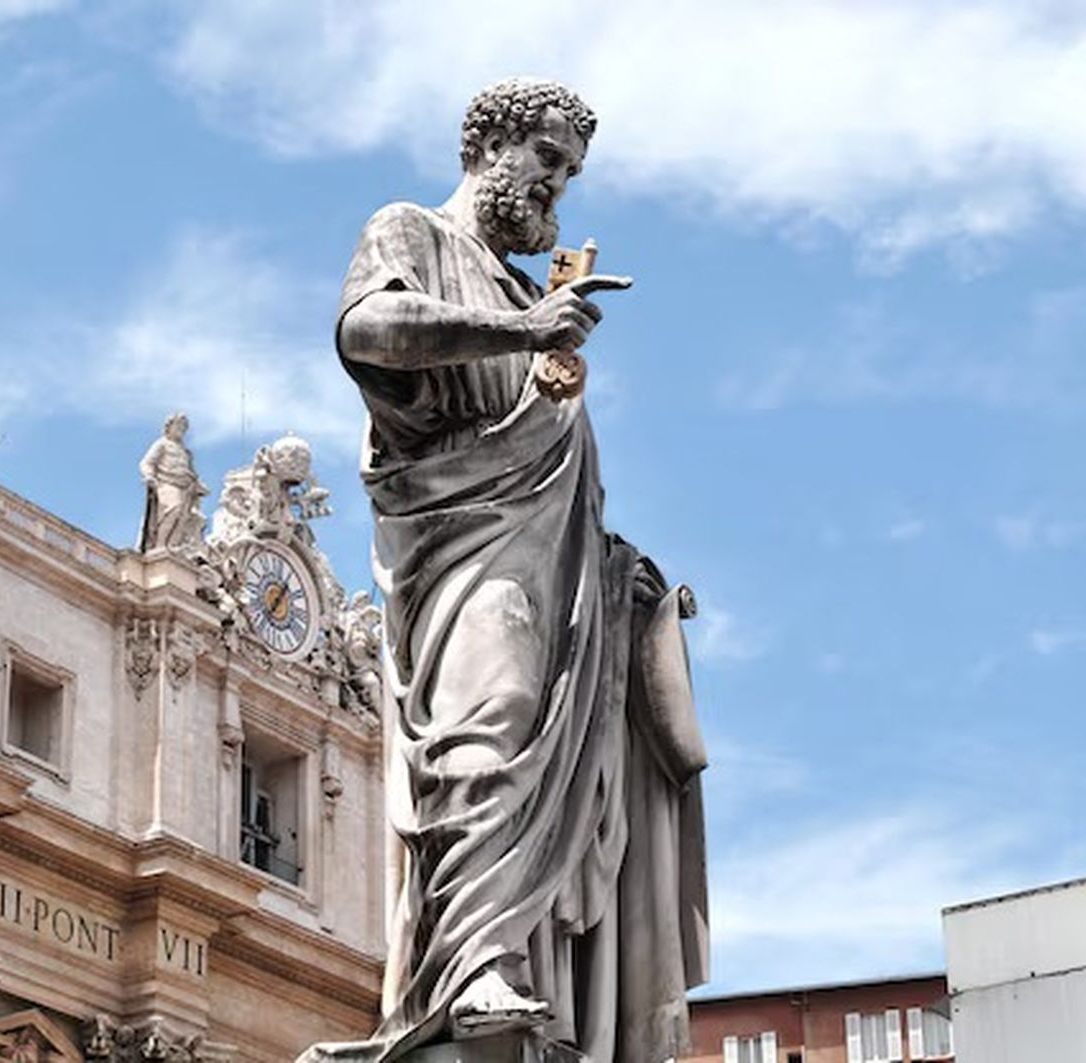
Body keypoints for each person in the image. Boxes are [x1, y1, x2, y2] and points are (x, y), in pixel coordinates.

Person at [334, 78, 708, 1061]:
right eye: (546, 160)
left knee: (562, 770)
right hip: (456, 540)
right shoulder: (411, 231)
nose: (556, 188)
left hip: (557, 574)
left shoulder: (525, 294)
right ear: (490, 146)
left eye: (569, 173)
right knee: (483, 721)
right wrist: (523, 331)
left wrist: (622, 582)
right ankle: (470, 967)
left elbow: (563, 489)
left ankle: (520, 971)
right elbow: (365, 331)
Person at [137, 413, 208, 552]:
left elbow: (192, 473)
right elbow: (146, 463)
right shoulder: (161, 444)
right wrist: (149, 476)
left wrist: (199, 486)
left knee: (182, 517)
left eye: (184, 427)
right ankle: (160, 546)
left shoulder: (186, 452)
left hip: (186, 488)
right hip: (167, 483)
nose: (181, 429)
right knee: (172, 509)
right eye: (179, 425)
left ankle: (173, 547)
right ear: (169, 426)